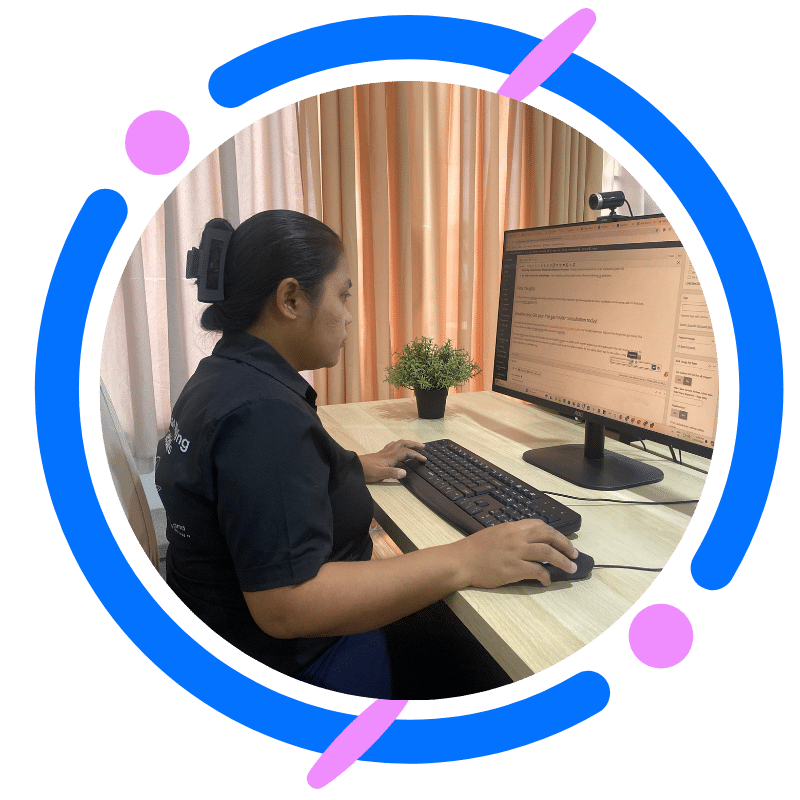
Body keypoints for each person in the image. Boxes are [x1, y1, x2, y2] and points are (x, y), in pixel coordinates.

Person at [155, 209, 579, 700]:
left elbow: (254, 491)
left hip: (225, 644)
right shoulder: (261, 413)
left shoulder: (222, 377)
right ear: (291, 299)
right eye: (342, 294)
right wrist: (465, 559)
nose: (349, 315)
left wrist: (350, 466)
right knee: (519, 665)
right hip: (298, 668)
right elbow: (287, 606)